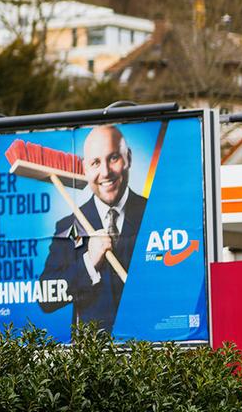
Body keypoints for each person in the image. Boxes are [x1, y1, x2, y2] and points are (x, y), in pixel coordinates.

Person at [38, 125, 148, 334]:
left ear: (129, 158)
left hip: (148, 347)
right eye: (96, 162)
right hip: (93, 356)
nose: (105, 172)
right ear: (85, 168)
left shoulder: (154, 215)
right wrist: (89, 262)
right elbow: (45, 298)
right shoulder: (67, 227)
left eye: (113, 158)